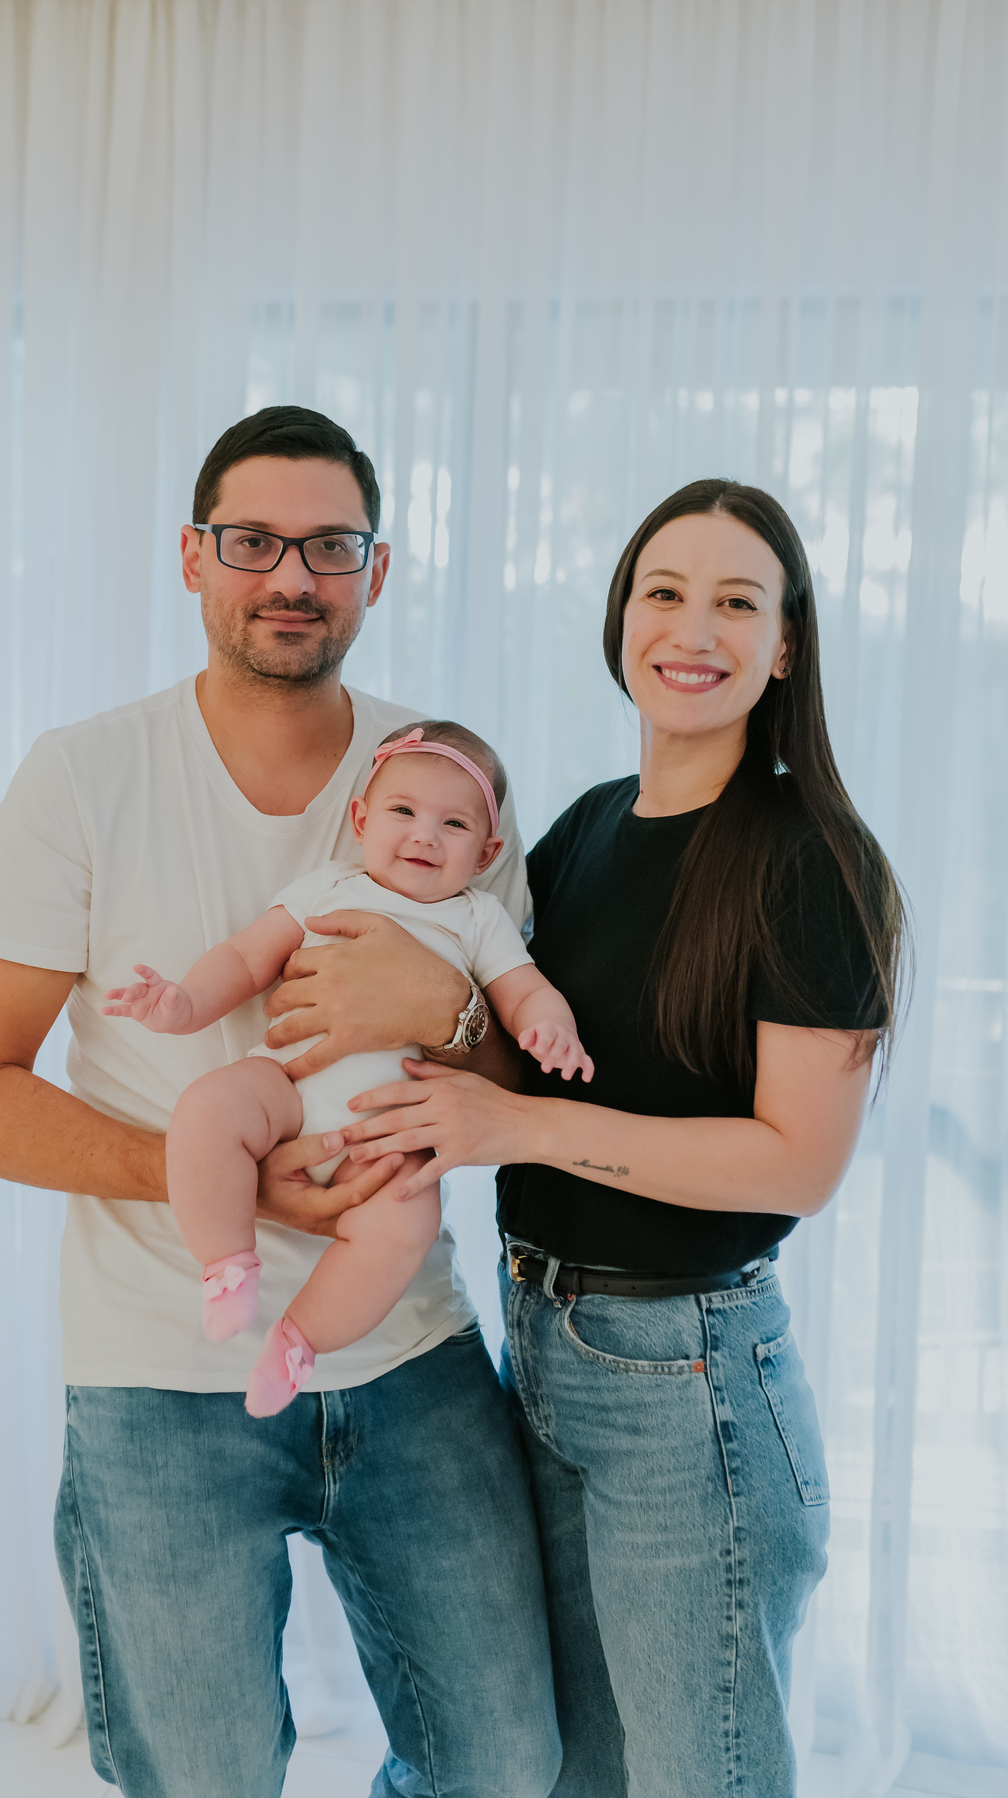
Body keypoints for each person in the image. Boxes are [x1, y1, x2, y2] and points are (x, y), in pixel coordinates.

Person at [0, 406, 561, 1798]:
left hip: (409, 1347)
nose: (290, 576)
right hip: (161, 1373)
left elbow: (525, 1064)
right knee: (199, 1779)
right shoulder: (86, 775)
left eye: (329, 545)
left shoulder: (444, 778)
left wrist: (436, 1015)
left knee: (507, 1766)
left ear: (375, 573)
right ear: (194, 561)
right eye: (253, 541)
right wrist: (226, 1182)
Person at [335, 479, 910, 1797]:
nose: (690, 627)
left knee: (700, 1775)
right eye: (664, 590)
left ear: (786, 644)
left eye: (735, 600)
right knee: (579, 1771)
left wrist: (516, 1119)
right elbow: (512, 1039)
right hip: (543, 1340)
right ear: (620, 615)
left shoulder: (812, 859)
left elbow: (797, 1164)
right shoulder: (591, 825)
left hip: (688, 1378)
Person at [103, 719, 592, 1415]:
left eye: (454, 824)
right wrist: (182, 1003)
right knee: (208, 1110)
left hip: (389, 1136)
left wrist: (551, 1029)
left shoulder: (478, 919)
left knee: (403, 1227)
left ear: (485, 853)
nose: (424, 835)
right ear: (361, 819)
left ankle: (300, 1340)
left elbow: (525, 991)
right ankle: (226, 1263)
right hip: (287, 1087)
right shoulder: (331, 886)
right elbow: (247, 958)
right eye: (403, 812)